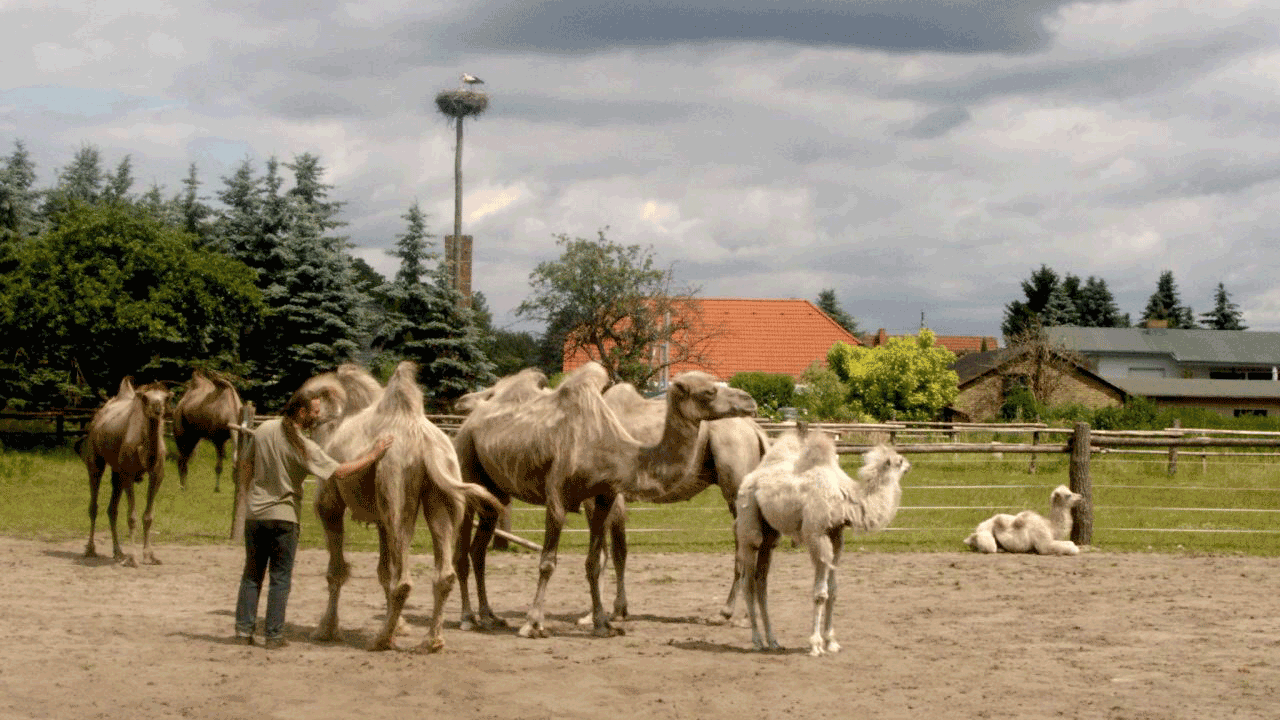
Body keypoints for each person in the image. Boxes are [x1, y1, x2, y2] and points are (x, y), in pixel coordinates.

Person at [233, 387, 392, 649]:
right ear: (301, 412)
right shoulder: (303, 446)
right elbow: (340, 472)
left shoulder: (263, 430)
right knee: (280, 579)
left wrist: (249, 493)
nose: (318, 417)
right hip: (284, 518)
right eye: (315, 412)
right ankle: (273, 636)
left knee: (251, 575)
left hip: (255, 516)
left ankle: (243, 631)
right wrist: (374, 455)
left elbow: (246, 464)